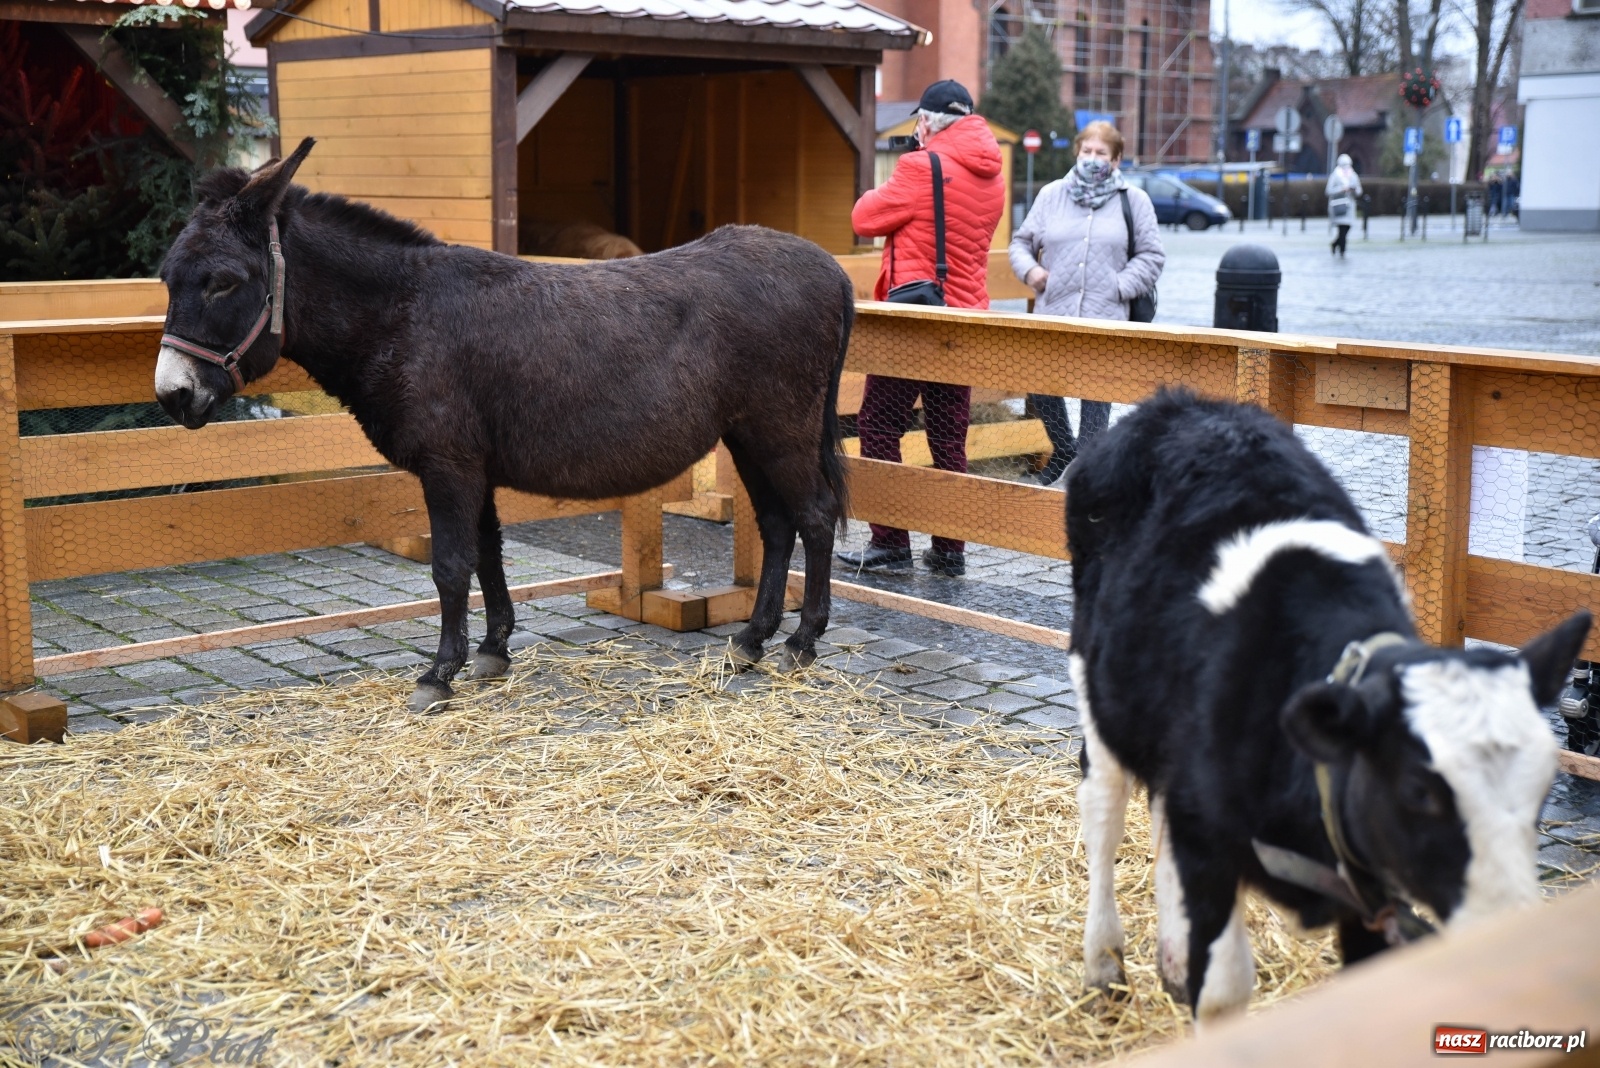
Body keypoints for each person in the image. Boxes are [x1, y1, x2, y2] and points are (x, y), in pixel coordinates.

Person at [835, 80, 1005, 577]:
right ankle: (950, 549)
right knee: (949, 436)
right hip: (965, 318)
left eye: (919, 122)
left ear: (928, 121)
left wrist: (916, 155)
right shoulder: (991, 174)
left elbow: (864, 217)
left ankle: (890, 541)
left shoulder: (920, 165)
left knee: (880, 424)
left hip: (916, 321)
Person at [1008, 120, 1164, 486]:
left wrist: (1119, 286)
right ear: (1077, 152)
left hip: (1106, 316)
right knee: (1041, 382)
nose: (1092, 159)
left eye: (1101, 153)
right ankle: (1063, 451)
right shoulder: (1051, 195)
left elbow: (1152, 256)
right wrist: (1032, 273)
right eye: (1087, 151)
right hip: (1055, 312)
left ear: (1117, 159)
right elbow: (1020, 243)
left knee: (1098, 392)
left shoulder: (1134, 200)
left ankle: (1088, 474)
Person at [1326, 153, 1362, 257]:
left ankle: (1335, 244)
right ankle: (1342, 250)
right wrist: (1341, 189)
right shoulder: (1335, 175)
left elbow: (1359, 191)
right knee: (1342, 229)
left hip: (1349, 207)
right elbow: (1328, 191)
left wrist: (1353, 190)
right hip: (1338, 206)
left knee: (1346, 228)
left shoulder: (1353, 176)